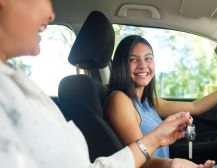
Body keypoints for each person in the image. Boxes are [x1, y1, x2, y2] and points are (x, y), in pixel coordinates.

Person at [0, 1, 205, 168]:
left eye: (148, 58)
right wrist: (170, 162)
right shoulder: (118, 100)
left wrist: (162, 145)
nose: (50, 13)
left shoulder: (17, 84)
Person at [104, 35, 217, 168]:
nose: (143, 65)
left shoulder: (148, 102)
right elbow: (139, 160)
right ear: (121, 65)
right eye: (133, 59)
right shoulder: (119, 100)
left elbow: (195, 106)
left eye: (148, 58)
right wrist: (175, 164)